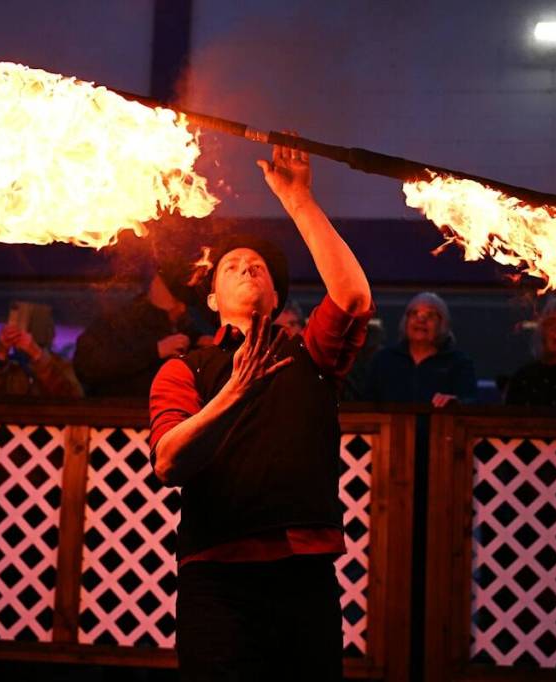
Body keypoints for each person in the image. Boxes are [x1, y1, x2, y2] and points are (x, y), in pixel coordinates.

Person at [149, 141, 372, 680]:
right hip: (218, 580)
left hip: (306, 574)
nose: (247, 267)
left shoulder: (311, 354)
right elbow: (169, 462)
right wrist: (233, 393)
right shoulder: (185, 369)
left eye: (259, 267)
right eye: (232, 266)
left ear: (275, 295)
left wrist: (297, 200)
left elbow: (352, 296)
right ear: (212, 297)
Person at [74, 265, 211, 398]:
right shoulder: (119, 323)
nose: (183, 308)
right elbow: (87, 367)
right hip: (121, 414)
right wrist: (156, 350)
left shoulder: (184, 329)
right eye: (178, 300)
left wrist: (199, 344)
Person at [363, 292, 476, 406]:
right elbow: (365, 404)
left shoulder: (459, 363)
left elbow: (471, 403)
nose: (421, 320)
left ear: (443, 324)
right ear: (405, 322)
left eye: (430, 315)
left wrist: (458, 403)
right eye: (414, 313)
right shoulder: (383, 360)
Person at [0, 306, 83, 398]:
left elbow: (72, 400)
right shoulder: (9, 368)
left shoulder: (61, 366)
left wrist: (38, 356)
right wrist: (0, 354)